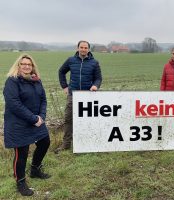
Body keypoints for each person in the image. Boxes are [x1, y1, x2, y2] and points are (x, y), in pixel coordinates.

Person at [3, 54, 51, 196]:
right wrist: (33, 119)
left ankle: (35, 170)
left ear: (32, 67)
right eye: (23, 64)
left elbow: (43, 99)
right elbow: (14, 104)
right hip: (18, 123)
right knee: (21, 153)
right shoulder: (12, 81)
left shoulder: (36, 80)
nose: (26, 66)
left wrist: (41, 117)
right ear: (18, 65)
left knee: (45, 142)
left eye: (29, 64)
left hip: (36, 120)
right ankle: (21, 182)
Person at [55, 40, 102, 153]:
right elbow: (61, 72)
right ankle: (66, 145)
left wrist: (95, 86)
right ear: (77, 48)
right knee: (68, 119)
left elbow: (98, 78)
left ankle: (87, 143)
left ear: (89, 49)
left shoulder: (94, 63)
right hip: (73, 95)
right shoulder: (71, 60)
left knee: (87, 120)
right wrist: (64, 86)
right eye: (81, 47)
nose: (83, 49)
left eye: (86, 48)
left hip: (88, 96)